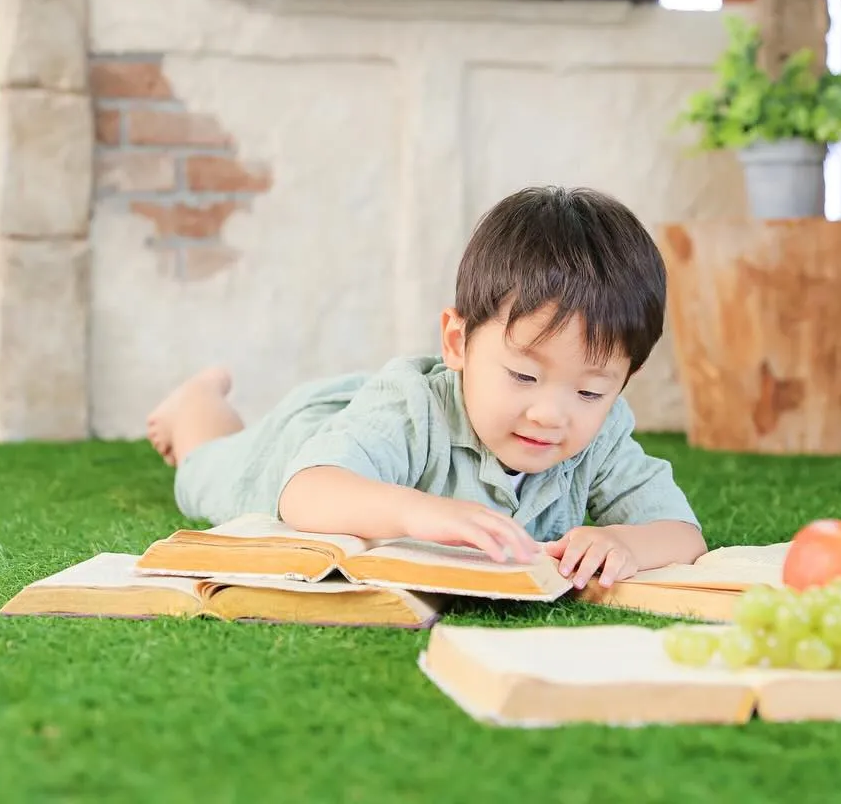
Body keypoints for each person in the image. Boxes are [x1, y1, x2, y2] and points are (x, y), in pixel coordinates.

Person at [145, 185, 705, 591]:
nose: (550, 415)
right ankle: (196, 400)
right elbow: (306, 492)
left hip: (364, 426)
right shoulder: (413, 412)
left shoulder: (601, 437)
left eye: (589, 392)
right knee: (205, 469)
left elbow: (682, 534)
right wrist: (420, 514)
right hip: (306, 445)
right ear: (457, 342)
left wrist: (628, 544)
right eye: (524, 376)